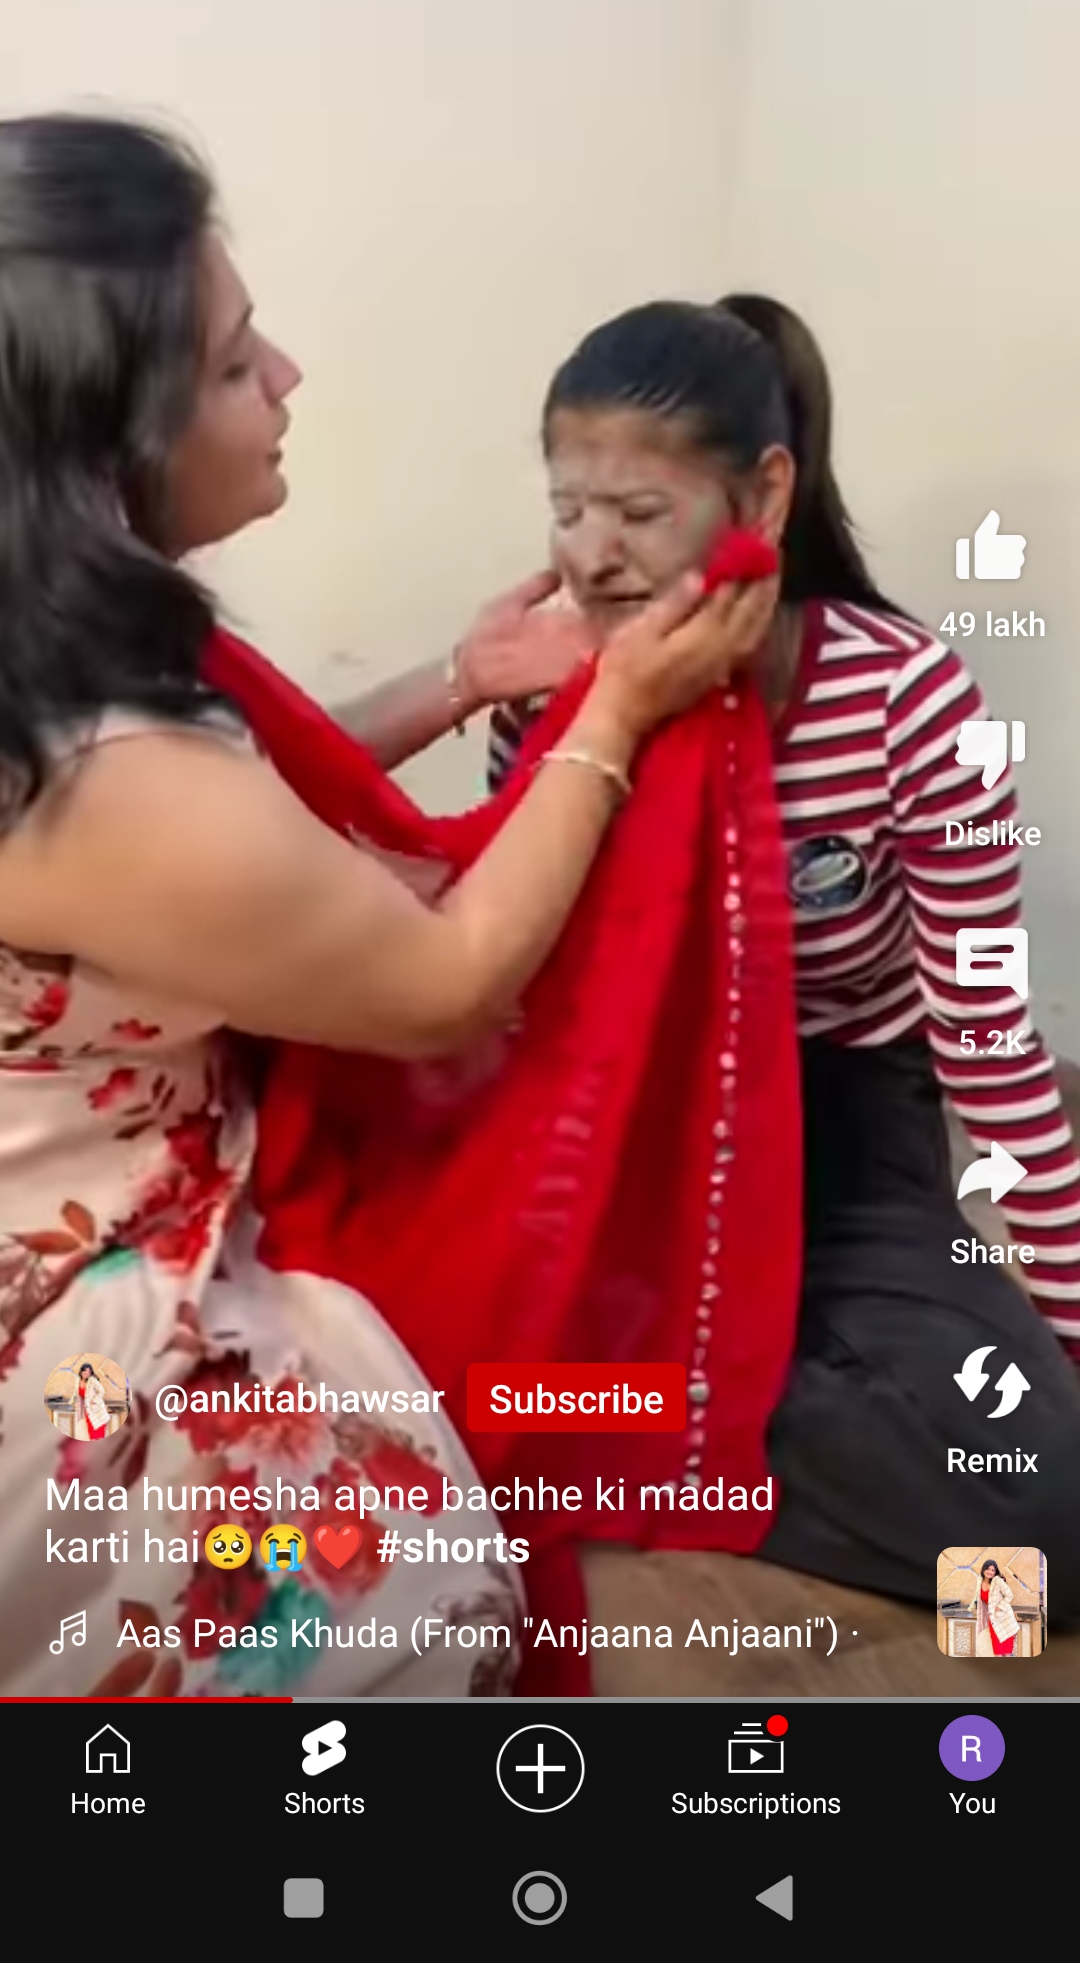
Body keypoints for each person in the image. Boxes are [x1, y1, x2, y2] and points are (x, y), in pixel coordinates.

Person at [0, 115, 770, 1700]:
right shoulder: (98, 770)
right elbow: (442, 987)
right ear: (102, 434)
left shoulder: (53, 662)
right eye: (233, 364)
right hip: (79, 1329)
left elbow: (231, 838)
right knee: (413, 1569)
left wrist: (459, 682)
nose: (286, 377)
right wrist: (617, 719)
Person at [486, 295, 1080, 1615]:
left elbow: (989, 1042)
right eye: (568, 509)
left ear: (762, 495)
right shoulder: (548, 695)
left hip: (842, 1131)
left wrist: (1070, 1328)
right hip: (631, 1121)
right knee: (404, 1350)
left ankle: (623, 1430)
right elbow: (528, 982)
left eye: (638, 514)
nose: (593, 556)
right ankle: (660, 1411)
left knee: (1045, 1506)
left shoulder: (909, 700)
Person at [976, 1558, 1020, 1656]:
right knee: (997, 1652)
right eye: (988, 1569)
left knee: (1007, 1653)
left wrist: (1000, 1606)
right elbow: (978, 1597)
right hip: (993, 1620)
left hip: (1005, 1619)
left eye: (993, 1570)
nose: (990, 1572)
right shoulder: (980, 1582)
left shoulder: (998, 1581)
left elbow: (1009, 1595)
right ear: (983, 1569)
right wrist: (972, 1606)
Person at [75, 1360, 108, 1441]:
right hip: (88, 1411)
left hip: (97, 1409)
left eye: (89, 1372)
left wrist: (94, 1400)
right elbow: (78, 1397)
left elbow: (102, 1391)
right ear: (81, 1371)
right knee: (92, 1434)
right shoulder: (77, 1381)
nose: (87, 1373)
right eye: (85, 1371)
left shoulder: (92, 1380)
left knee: (99, 1435)